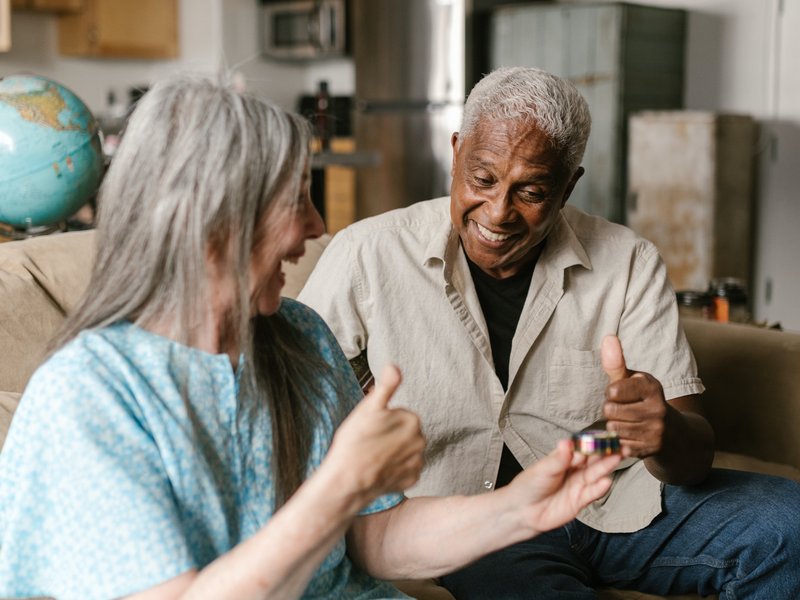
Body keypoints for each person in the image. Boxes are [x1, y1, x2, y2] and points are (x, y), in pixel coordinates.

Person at [0, 73, 622, 600]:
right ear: (215, 218)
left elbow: (375, 539)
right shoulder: (88, 396)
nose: (316, 226)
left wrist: (520, 510)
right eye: (296, 199)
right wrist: (339, 485)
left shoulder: (298, 335)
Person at [298, 66, 800, 598]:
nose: (498, 212)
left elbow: (693, 454)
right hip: (475, 523)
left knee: (788, 525)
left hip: (613, 501)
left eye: (531, 191)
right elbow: (288, 404)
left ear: (569, 185)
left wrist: (663, 431)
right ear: (455, 151)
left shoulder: (628, 262)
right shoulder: (367, 255)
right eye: (483, 179)